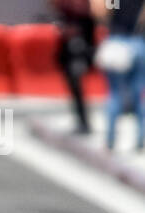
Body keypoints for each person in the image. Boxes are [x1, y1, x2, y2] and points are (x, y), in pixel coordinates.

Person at [91, 0, 145, 150]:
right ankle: (140, 138)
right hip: (137, 42)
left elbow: (102, 14)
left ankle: (110, 139)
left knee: (114, 94)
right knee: (139, 94)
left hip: (117, 41)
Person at [51, 0, 96, 135]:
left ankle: (84, 122)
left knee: (77, 88)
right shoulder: (66, 12)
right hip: (69, 52)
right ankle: (81, 121)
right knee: (74, 89)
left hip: (79, 52)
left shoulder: (84, 14)